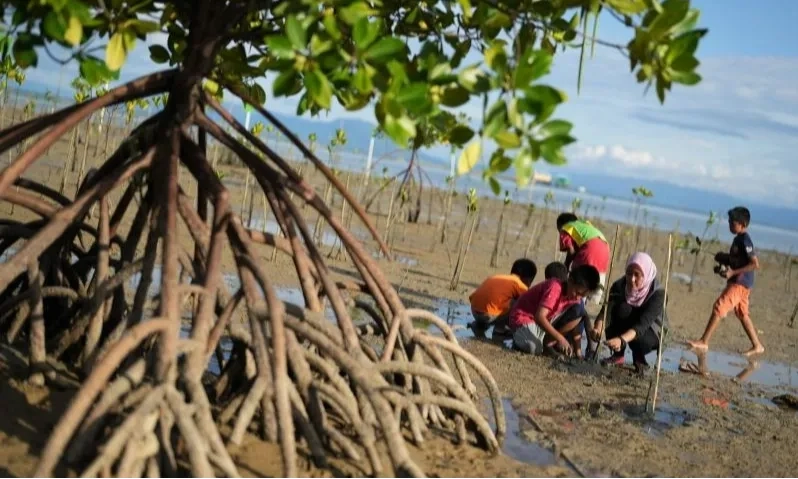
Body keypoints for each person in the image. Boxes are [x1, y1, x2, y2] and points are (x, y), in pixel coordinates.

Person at [687, 206, 764, 357]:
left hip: (740, 283)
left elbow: (754, 263)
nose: (729, 224)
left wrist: (732, 272)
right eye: (729, 221)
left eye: (732, 222)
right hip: (740, 282)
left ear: (742, 224)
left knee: (719, 306)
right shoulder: (737, 240)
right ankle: (757, 345)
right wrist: (724, 262)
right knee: (742, 314)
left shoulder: (745, 240)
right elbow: (736, 260)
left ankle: (704, 341)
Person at [590, 252, 667, 370]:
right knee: (620, 309)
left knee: (640, 340)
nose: (632, 279)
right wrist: (597, 328)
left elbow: (642, 324)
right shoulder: (619, 286)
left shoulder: (658, 294)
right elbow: (606, 312)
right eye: (629, 273)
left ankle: (639, 358)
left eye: (637, 275)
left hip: (650, 331)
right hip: (630, 325)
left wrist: (621, 340)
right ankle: (618, 356)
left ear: (646, 275)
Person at [509, 264, 600, 356]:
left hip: (540, 324)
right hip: (523, 319)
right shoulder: (555, 287)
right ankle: (520, 338)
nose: (578, 297)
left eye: (582, 296)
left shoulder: (575, 298)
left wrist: (580, 351)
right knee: (533, 348)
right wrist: (560, 338)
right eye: (577, 292)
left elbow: (582, 315)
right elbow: (539, 317)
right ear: (570, 280)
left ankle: (546, 343)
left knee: (579, 310)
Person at [468, 258, 537, 337]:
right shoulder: (519, 284)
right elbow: (528, 303)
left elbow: (472, 297)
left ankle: (480, 324)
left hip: (474, 310)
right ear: (528, 280)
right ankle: (500, 329)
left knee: (500, 300)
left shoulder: (497, 277)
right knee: (519, 302)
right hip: (489, 316)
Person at [556, 213, 611, 306]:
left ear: (560, 225)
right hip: (605, 250)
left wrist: (566, 267)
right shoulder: (585, 225)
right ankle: (593, 303)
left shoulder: (566, 228)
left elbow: (571, 251)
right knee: (596, 283)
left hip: (590, 250)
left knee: (579, 281)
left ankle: (577, 304)